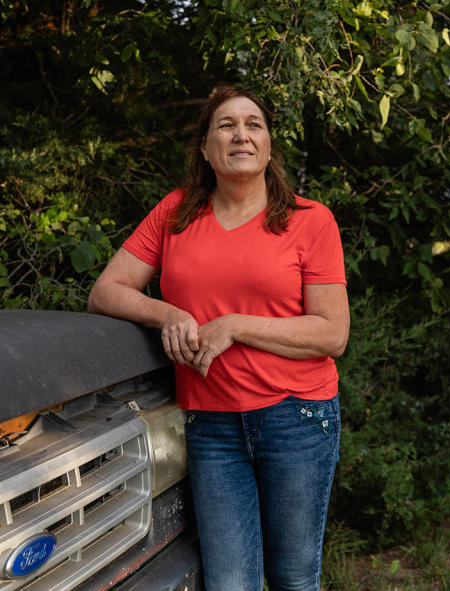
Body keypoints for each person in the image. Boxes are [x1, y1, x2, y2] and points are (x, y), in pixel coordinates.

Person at [88, 85, 349, 590]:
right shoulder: (175, 213)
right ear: (206, 148)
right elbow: (106, 291)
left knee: (294, 577)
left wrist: (233, 325)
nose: (241, 135)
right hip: (211, 425)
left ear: (269, 145)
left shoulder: (308, 220)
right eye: (226, 125)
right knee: (229, 582)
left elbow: (332, 333)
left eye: (254, 124)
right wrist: (167, 314)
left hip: (295, 418)